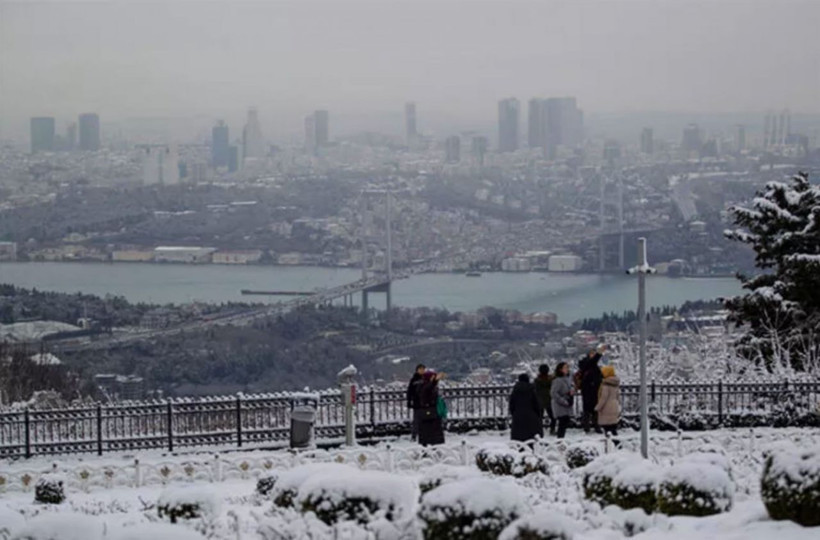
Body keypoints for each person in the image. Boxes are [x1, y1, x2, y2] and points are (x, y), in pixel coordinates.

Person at [509, 373, 543, 442]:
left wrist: (514, 413)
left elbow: (511, 405)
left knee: (518, 438)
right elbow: (536, 404)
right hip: (531, 416)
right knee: (531, 438)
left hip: (518, 416)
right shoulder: (532, 389)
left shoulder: (515, 390)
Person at [579, 346, 604, 434]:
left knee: (595, 409)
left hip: (595, 389)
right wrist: (598, 354)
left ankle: (596, 425)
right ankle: (586, 427)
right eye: (592, 353)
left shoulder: (594, 366)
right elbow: (591, 363)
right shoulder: (585, 363)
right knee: (587, 409)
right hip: (587, 389)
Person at [417, 370, 445, 446]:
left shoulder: (426, 386)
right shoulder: (425, 386)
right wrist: (435, 380)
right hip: (429, 413)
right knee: (429, 433)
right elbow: (430, 386)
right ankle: (428, 448)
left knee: (431, 434)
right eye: (433, 377)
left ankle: (432, 447)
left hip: (431, 412)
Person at [596, 365, 621, 447]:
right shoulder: (615, 384)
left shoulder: (606, 385)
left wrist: (598, 407)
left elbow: (603, 398)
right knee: (613, 427)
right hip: (614, 406)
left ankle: (611, 444)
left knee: (607, 428)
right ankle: (617, 443)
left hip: (606, 408)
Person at [550, 362, 574, 439]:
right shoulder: (557, 380)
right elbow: (553, 393)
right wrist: (563, 400)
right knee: (562, 423)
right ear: (560, 370)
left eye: (567, 367)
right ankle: (560, 441)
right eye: (565, 368)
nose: (567, 369)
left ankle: (561, 439)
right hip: (560, 405)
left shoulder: (567, 379)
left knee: (564, 423)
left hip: (566, 403)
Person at [533, 364, 556, 434]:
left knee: (539, 418)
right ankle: (552, 429)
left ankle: (539, 431)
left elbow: (535, 390)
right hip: (549, 400)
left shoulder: (537, 381)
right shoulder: (551, 380)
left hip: (539, 401)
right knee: (553, 417)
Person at [406, 363, 426, 440]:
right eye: (420, 369)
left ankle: (424, 434)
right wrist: (409, 401)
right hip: (417, 402)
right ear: (417, 370)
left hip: (425, 402)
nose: (422, 371)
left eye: (423, 369)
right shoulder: (414, 379)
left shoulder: (426, 378)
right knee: (416, 420)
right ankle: (414, 435)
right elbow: (410, 391)